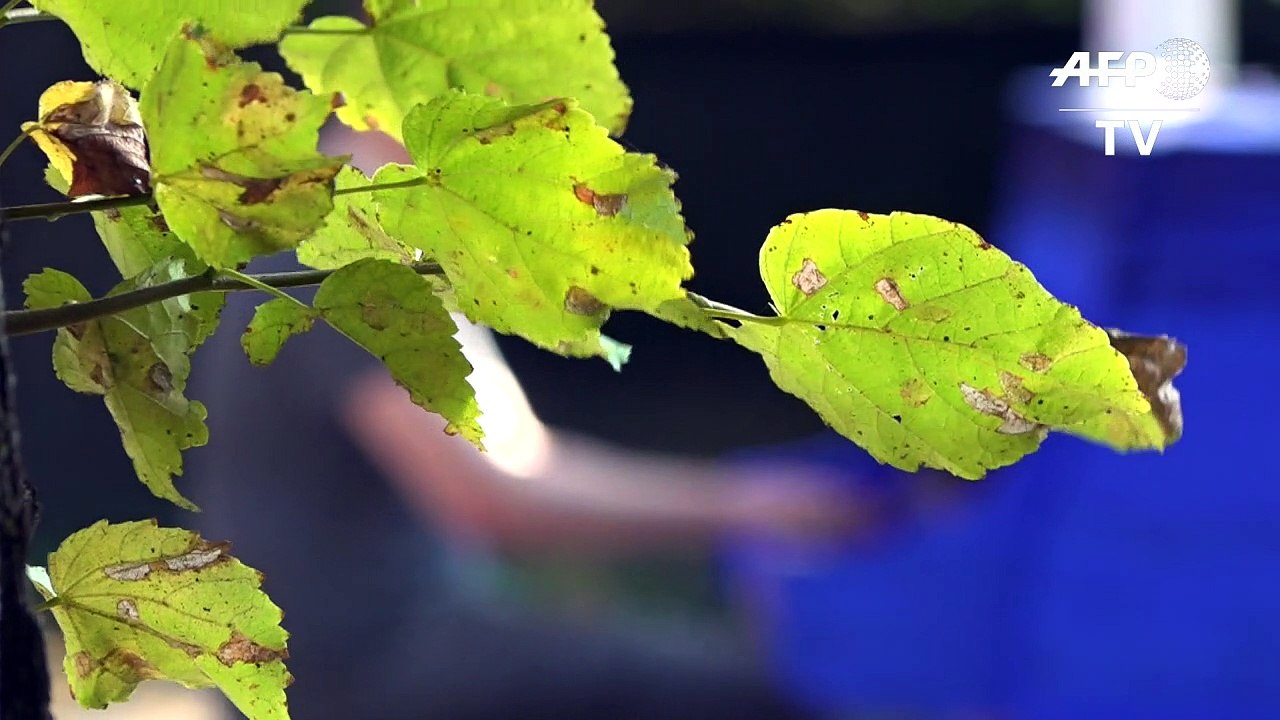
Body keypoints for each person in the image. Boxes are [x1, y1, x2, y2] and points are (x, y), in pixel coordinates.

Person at [187, 125, 866, 720]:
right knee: (749, 693)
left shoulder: (359, 240)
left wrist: (745, 503)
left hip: (364, 646)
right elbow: (493, 499)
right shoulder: (344, 264)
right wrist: (743, 506)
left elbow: (519, 461)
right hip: (348, 671)